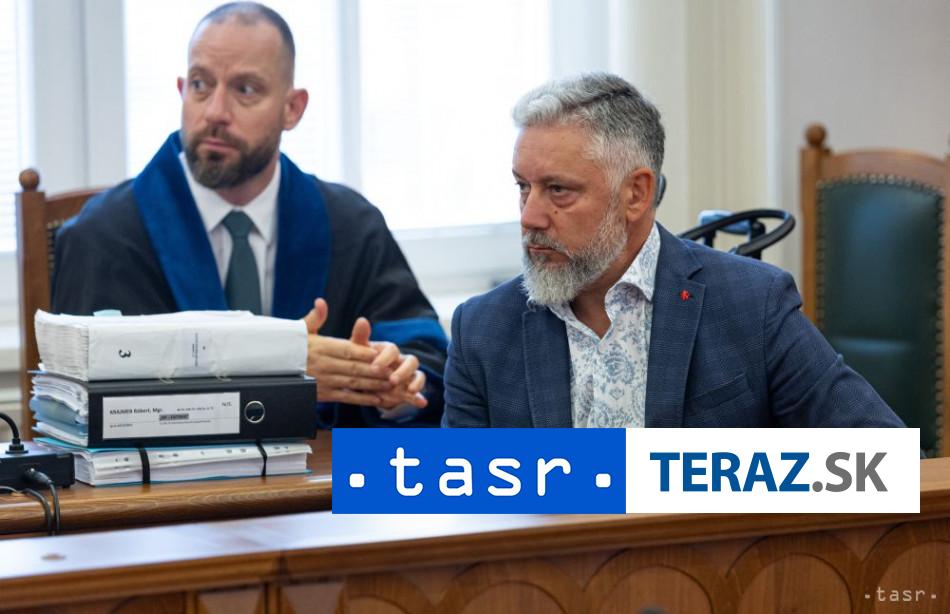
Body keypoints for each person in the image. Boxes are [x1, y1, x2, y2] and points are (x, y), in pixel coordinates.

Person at [51, 2, 446, 426]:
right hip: (171, 471)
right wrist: (280, 368)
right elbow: (84, 408)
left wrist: (393, 386)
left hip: (325, 470)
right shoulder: (103, 238)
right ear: (182, 90)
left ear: (293, 109)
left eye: (245, 90)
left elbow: (426, 359)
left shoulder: (351, 225)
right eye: (201, 85)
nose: (215, 112)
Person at [442, 72, 904, 429]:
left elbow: (882, 463)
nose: (529, 217)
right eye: (523, 187)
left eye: (558, 190)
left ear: (636, 194)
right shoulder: (482, 331)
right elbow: (460, 502)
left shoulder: (750, 305)